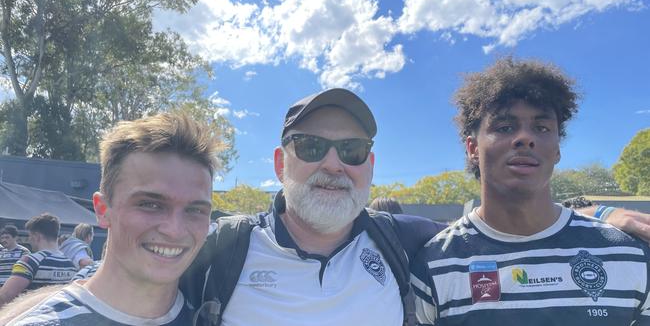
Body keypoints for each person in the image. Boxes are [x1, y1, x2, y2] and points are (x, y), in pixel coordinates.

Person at [410, 57, 650, 325]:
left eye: (542, 127)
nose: (525, 138)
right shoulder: (434, 264)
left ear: (557, 148)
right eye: (505, 127)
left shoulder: (629, 254)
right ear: (473, 148)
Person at [181, 88, 448, 326]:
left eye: (352, 150)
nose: (333, 165)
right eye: (311, 146)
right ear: (279, 165)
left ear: (370, 166)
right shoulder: (218, 250)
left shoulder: (401, 239)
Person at [4, 113, 222, 325]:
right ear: (102, 209)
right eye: (150, 205)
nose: (175, 230)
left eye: (195, 210)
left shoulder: (217, 316)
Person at [0, 214, 76, 308]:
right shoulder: (71, 265)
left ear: (36, 236)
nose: (29, 239)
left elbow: (5, 296)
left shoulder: (30, 261)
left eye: (30, 235)